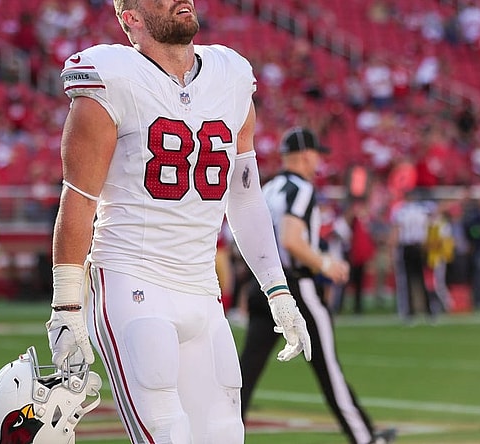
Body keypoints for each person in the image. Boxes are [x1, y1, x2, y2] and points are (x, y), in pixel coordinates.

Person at [44, 1, 313, 442]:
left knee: (225, 434)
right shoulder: (111, 77)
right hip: (132, 279)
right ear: (130, 17)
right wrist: (66, 307)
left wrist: (277, 290)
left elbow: (244, 198)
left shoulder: (230, 75)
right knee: (169, 435)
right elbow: (78, 200)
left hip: (203, 289)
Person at [239, 128, 396, 444]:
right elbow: (291, 238)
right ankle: (366, 439)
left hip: (264, 285)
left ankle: (221, 434)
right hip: (297, 289)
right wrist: (325, 263)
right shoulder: (302, 189)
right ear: (307, 155)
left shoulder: (268, 189)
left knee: (245, 376)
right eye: (316, 155)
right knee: (330, 373)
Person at [390, 188, 437, 322]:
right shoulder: (422, 209)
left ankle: (410, 312)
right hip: (419, 246)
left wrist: (392, 249)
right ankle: (428, 311)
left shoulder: (401, 211)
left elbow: (396, 231)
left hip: (408, 246)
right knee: (422, 280)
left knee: (408, 280)